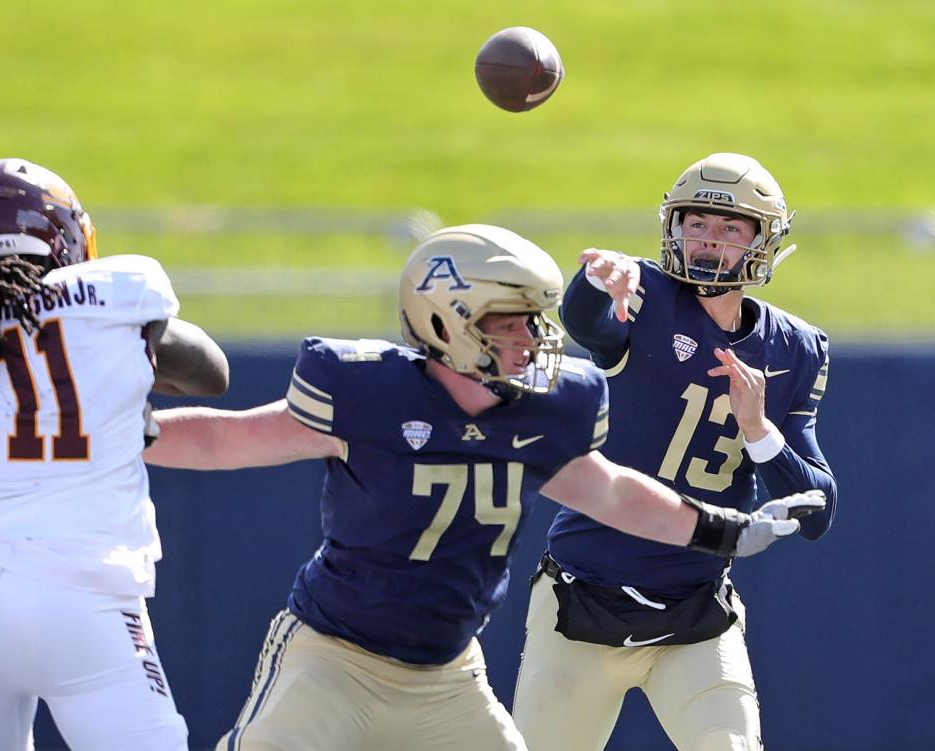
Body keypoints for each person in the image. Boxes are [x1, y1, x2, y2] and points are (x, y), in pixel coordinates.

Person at [142, 223, 825, 751]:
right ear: (447, 318)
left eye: (533, 318)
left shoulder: (544, 406)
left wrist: (730, 528)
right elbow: (224, 440)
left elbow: (614, 493)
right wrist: (109, 437)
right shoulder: (366, 390)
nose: (532, 337)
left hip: (448, 674)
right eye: (510, 320)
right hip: (333, 655)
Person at [0, 157, 230, 751]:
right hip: (85, 595)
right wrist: (122, 389)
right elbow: (210, 373)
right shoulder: (119, 299)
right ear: (65, 234)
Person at [511, 153, 838, 751]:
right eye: (696, 224)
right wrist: (594, 283)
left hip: (696, 617)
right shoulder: (645, 295)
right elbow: (587, 321)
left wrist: (760, 430)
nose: (708, 241)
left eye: (729, 228)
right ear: (672, 227)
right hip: (583, 606)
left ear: (763, 240)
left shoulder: (795, 346)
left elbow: (816, 513)